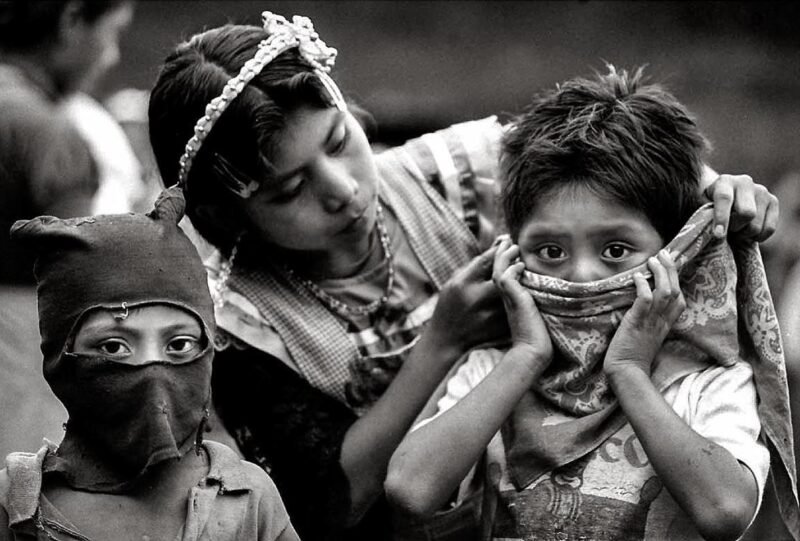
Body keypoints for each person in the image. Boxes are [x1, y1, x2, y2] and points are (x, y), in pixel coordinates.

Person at [147, 11, 783, 540]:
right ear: (227, 218)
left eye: (339, 141)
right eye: (289, 190)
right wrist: (444, 344)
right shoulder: (233, 322)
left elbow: (611, 168)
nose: (342, 191)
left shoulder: (456, 174)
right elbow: (328, 508)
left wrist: (718, 194)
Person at [385, 67, 797, 540]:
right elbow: (409, 489)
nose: (581, 277)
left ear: (675, 255)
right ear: (514, 257)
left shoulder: (703, 381)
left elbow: (725, 511)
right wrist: (525, 356)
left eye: (616, 250)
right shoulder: (495, 368)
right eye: (551, 252)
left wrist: (629, 371)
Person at [0, 187, 300, 541]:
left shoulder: (246, 498)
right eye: (113, 347)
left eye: (179, 344)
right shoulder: (14, 503)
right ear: (59, 360)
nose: (152, 374)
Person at [0, 0, 134, 461]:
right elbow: (81, 280)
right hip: (22, 368)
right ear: (72, 20)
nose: (111, 54)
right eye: (112, 32)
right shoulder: (45, 131)